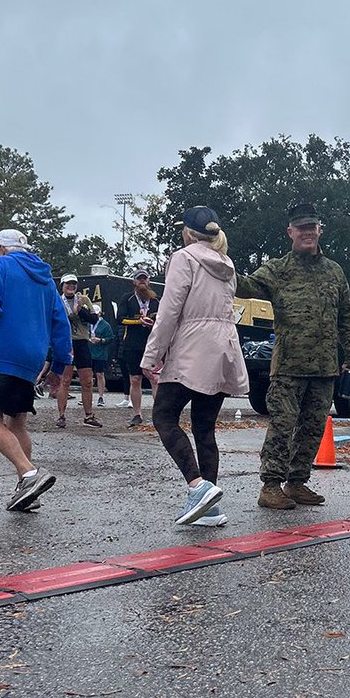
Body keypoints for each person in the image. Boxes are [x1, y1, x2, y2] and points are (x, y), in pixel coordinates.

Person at [236, 202, 350, 510]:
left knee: (313, 427)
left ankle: (296, 482)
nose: (307, 233)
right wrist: (216, 262)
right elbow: (245, 286)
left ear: (319, 230)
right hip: (288, 367)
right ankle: (270, 486)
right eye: (301, 228)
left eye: (312, 227)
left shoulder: (334, 271)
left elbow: (346, 315)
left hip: (324, 368)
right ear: (290, 232)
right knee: (283, 425)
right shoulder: (278, 269)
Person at [141, 206, 248, 527]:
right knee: (204, 426)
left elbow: (169, 311)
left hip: (193, 347)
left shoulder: (183, 258)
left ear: (188, 233)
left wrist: (151, 356)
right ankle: (210, 509)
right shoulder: (227, 264)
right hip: (224, 348)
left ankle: (197, 485)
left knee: (163, 416)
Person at [0, 228, 72, 511]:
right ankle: (27, 491)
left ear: (0, 248)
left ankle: (29, 473)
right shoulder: (46, 278)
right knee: (16, 423)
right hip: (33, 357)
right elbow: (61, 323)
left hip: (4, 351)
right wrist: (58, 366)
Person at [55, 273, 102, 429]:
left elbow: (94, 319)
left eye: (74, 284)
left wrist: (81, 311)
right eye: (68, 284)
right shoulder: (58, 301)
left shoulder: (84, 299)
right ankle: (61, 416)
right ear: (62, 286)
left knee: (87, 381)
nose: (71, 286)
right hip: (66, 342)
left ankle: (88, 416)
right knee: (65, 380)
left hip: (82, 342)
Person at [118, 270, 159, 427]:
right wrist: (138, 321)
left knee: (155, 379)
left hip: (152, 344)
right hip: (132, 344)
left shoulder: (155, 300)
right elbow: (120, 319)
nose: (142, 281)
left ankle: (159, 415)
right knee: (135, 379)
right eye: (139, 279)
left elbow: (163, 320)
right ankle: (137, 414)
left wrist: (153, 323)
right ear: (134, 282)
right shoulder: (127, 298)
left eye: (144, 279)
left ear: (149, 281)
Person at [89, 305, 114, 406]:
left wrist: (101, 340)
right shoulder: (87, 323)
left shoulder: (105, 325)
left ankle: (101, 396)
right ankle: (87, 396)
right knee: (88, 375)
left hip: (100, 353)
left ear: (100, 313)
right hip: (89, 352)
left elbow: (110, 338)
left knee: (100, 374)